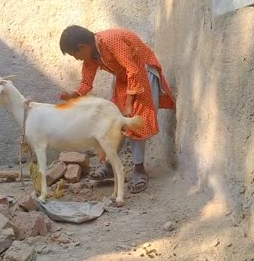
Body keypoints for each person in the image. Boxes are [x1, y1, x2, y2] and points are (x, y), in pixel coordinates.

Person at [57, 25, 175, 193]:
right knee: (115, 123)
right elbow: (86, 81)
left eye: (75, 54)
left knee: (135, 121)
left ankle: (139, 170)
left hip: (142, 73)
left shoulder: (111, 41)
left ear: (81, 47)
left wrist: (128, 104)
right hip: (125, 78)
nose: (76, 59)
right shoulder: (92, 53)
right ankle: (111, 165)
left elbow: (134, 71)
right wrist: (74, 94)